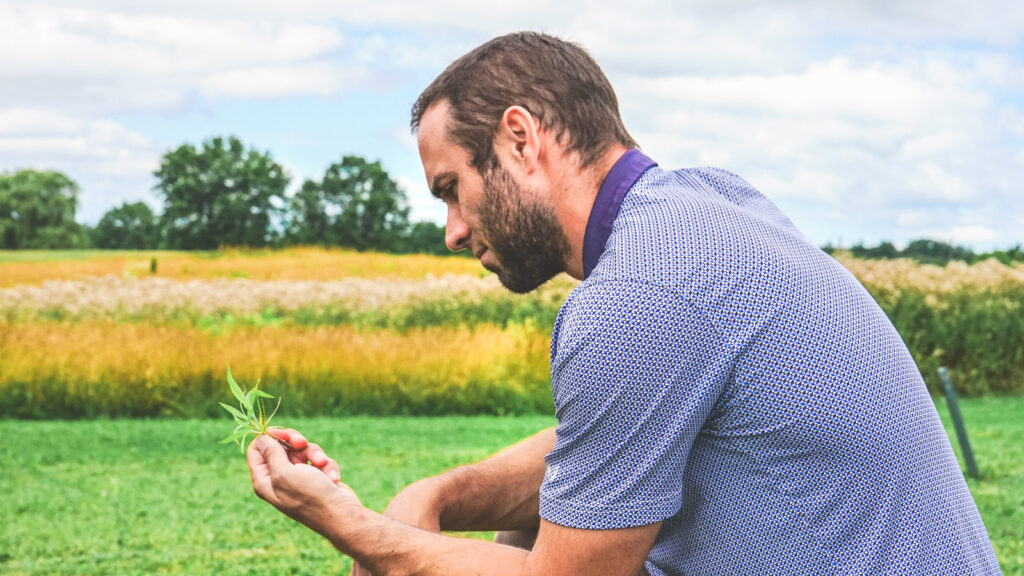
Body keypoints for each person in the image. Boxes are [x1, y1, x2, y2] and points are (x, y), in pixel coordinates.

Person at [247, 32, 1000, 575]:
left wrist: (359, 533)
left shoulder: (638, 297)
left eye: (452, 189)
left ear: (519, 139)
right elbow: (610, 450)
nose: (453, 231)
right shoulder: (710, 203)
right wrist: (437, 497)